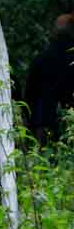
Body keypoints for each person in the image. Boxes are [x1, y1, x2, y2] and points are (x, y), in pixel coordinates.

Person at [26, 13, 74, 141]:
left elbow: (30, 93)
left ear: (54, 33)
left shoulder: (42, 59)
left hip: (43, 123)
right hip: (69, 123)